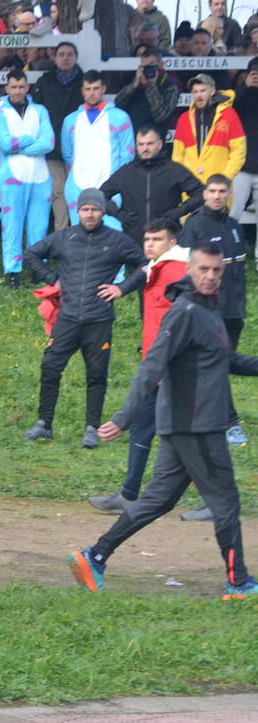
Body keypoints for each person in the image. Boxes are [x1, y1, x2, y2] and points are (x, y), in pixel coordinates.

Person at [70, 242, 258, 600]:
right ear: (190, 269)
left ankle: (93, 556)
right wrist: (124, 419)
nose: (210, 276)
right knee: (226, 503)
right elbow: (152, 366)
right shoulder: (185, 312)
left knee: (158, 501)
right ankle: (238, 583)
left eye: (217, 271)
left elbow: (224, 359)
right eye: (203, 269)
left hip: (187, 425)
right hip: (196, 425)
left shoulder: (208, 311)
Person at [23, 189, 150, 447]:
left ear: (103, 211)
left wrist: (122, 288)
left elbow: (146, 264)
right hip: (67, 319)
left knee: (96, 374)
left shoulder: (117, 240)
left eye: (95, 209)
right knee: (50, 368)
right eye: (85, 209)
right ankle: (44, 423)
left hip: (99, 320)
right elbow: (31, 254)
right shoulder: (64, 237)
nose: (90, 214)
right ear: (77, 211)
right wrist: (53, 279)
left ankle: (91, 428)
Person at [88, 218, 190, 516]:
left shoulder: (177, 272)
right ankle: (129, 494)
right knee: (145, 430)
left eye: (156, 239)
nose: (149, 244)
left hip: (171, 368)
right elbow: (141, 276)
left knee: (189, 437)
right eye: (147, 239)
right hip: (159, 365)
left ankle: (216, 500)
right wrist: (120, 289)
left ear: (172, 242)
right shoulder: (157, 267)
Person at [179, 172, 249, 455]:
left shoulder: (235, 226)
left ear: (229, 194)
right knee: (217, 366)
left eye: (223, 191)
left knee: (224, 365)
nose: (217, 196)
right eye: (212, 191)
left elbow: (238, 273)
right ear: (205, 194)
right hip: (209, 311)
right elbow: (185, 271)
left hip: (234, 312)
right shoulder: (194, 225)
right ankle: (229, 423)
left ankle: (208, 416)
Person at [0, 70, 55, 289]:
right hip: (12, 176)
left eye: (21, 87)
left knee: (39, 225)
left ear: (27, 87)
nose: (18, 91)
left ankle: (38, 269)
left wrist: (21, 145)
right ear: (7, 89)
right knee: (12, 225)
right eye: (13, 87)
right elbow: (5, 145)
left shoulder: (41, 110)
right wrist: (30, 139)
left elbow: (49, 142)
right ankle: (12, 271)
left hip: (40, 176)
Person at [100, 126, 203, 243]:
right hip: (133, 240)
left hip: (167, 240)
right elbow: (99, 196)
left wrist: (177, 213)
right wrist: (119, 215)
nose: (145, 148)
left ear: (159, 144)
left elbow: (201, 193)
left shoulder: (174, 170)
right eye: (141, 144)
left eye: (150, 144)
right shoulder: (126, 172)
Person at [60, 70, 134, 227]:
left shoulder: (120, 117)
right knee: (79, 236)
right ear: (82, 90)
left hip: (111, 186)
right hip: (77, 185)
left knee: (112, 234)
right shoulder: (70, 120)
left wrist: (118, 183)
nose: (92, 93)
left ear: (103, 89)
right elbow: (68, 154)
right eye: (88, 89)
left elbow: (127, 155)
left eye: (95, 88)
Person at [32, 41, 83, 231]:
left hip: (78, 148)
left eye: (70, 54)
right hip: (52, 148)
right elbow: (35, 113)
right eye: (61, 54)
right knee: (57, 193)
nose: (66, 58)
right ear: (54, 57)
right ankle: (61, 234)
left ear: (76, 57)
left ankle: (80, 232)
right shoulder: (44, 81)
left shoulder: (85, 82)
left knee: (78, 191)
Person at [172, 74, 246, 188]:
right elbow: (177, 157)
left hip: (219, 189)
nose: (198, 95)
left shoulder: (229, 115)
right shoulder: (184, 118)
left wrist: (225, 178)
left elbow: (238, 152)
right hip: (190, 190)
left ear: (212, 91)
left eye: (202, 91)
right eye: (195, 91)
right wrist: (183, 182)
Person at [113, 48, 178, 137]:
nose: (148, 69)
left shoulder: (170, 86)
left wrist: (151, 87)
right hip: (132, 139)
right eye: (144, 66)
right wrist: (134, 85)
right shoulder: (135, 81)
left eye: (151, 65)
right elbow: (118, 104)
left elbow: (161, 116)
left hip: (155, 142)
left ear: (161, 64)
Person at [231, 58, 258, 221]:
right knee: (233, 213)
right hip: (242, 165)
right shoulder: (239, 94)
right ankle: (229, 246)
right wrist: (244, 86)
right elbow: (226, 111)